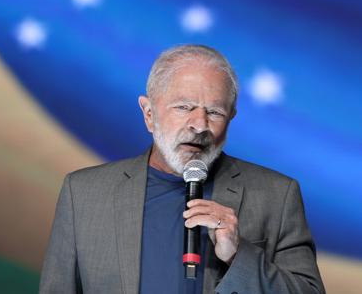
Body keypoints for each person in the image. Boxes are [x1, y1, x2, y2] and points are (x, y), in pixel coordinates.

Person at [39, 44, 325, 294]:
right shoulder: (84, 195)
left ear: (231, 118)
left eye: (214, 112)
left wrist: (239, 255)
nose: (199, 125)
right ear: (149, 114)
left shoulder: (277, 196)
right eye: (184, 107)